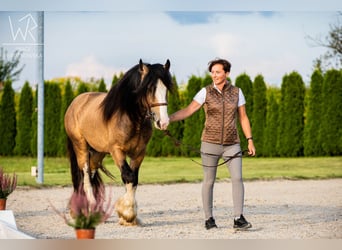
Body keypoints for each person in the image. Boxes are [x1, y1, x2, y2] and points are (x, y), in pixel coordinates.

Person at [168, 58, 256, 230]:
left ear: (227, 73)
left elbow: (243, 117)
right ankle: (209, 219)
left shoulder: (237, 92)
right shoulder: (205, 92)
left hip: (232, 144)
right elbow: (189, 110)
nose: (214, 75)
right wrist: (168, 119)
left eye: (218, 72)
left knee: (237, 178)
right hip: (209, 142)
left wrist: (250, 140)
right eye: (212, 72)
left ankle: (238, 218)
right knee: (209, 181)